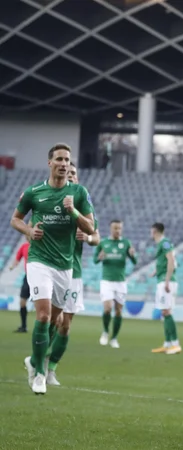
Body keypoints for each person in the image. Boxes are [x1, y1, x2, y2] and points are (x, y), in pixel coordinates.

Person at [13, 143, 96, 395]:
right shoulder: (34, 192)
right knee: (43, 316)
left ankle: (34, 361)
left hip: (65, 267)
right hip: (39, 261)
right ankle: (39, 375)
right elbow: (15, 219)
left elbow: (91, 229)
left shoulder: (79, 193)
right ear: (50, 163)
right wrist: (29, 231)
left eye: (67, 160)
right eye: (59, 159)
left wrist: (73, 211)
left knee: (55, 322)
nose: (63, 163)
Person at [46, 163, 101, 385]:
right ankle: (38, 359)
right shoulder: (51, 202)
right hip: (53, 269)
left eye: (74, 173)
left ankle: (51, 369)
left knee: (66, 325)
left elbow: (97, 237)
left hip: (74, 272)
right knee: (52, 320)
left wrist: (87, 238)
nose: (71, 176)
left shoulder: (82, 205)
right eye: (67, 173)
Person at [95, 219, 137, 348]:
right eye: (115, 228)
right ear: (110, 229)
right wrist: (99, 257)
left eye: (119, 228)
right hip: (107, 281)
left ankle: (114, 338)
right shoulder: (103, 243)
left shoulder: (125, 243)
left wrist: (132, 255)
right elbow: (95, 260)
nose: (117, 230)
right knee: (107, 308)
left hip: (120, 282)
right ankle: (105, 332)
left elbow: (134, 261)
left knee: (118, 311)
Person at [149, 223, 181, 355]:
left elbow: (171, 260)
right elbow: (165, 260)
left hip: (166, 282)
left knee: (167, 312)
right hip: (162, 279)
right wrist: (156, 270)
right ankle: (167, 344)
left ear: (154, 231)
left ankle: (175, 344)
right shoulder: (161, 245)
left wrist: (167, 280)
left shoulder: (165, 243)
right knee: (164, 312)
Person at [10, 239, 30, 333]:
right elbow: (17, 258)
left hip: (40, 277)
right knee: (22, 302)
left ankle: (47, 327)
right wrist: (13, 266)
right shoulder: (24, 246)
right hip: (28, 277)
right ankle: (24, 326)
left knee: (42, 304)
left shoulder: (41, 245)